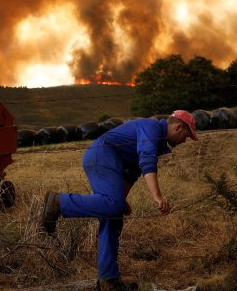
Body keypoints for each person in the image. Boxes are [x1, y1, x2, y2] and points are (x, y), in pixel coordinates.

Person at [41, 110, 199, 291]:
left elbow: (131, 173)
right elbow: (146, 160)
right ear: (178, 127)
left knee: (114, 216)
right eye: (186, 135)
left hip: (106, 159)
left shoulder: (157, 138)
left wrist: (121, 200)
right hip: (103, 155)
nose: (185, 141)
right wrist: (157, 196)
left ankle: (108, 279)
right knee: (112, 204)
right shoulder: (152, 128)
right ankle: (60, 202)